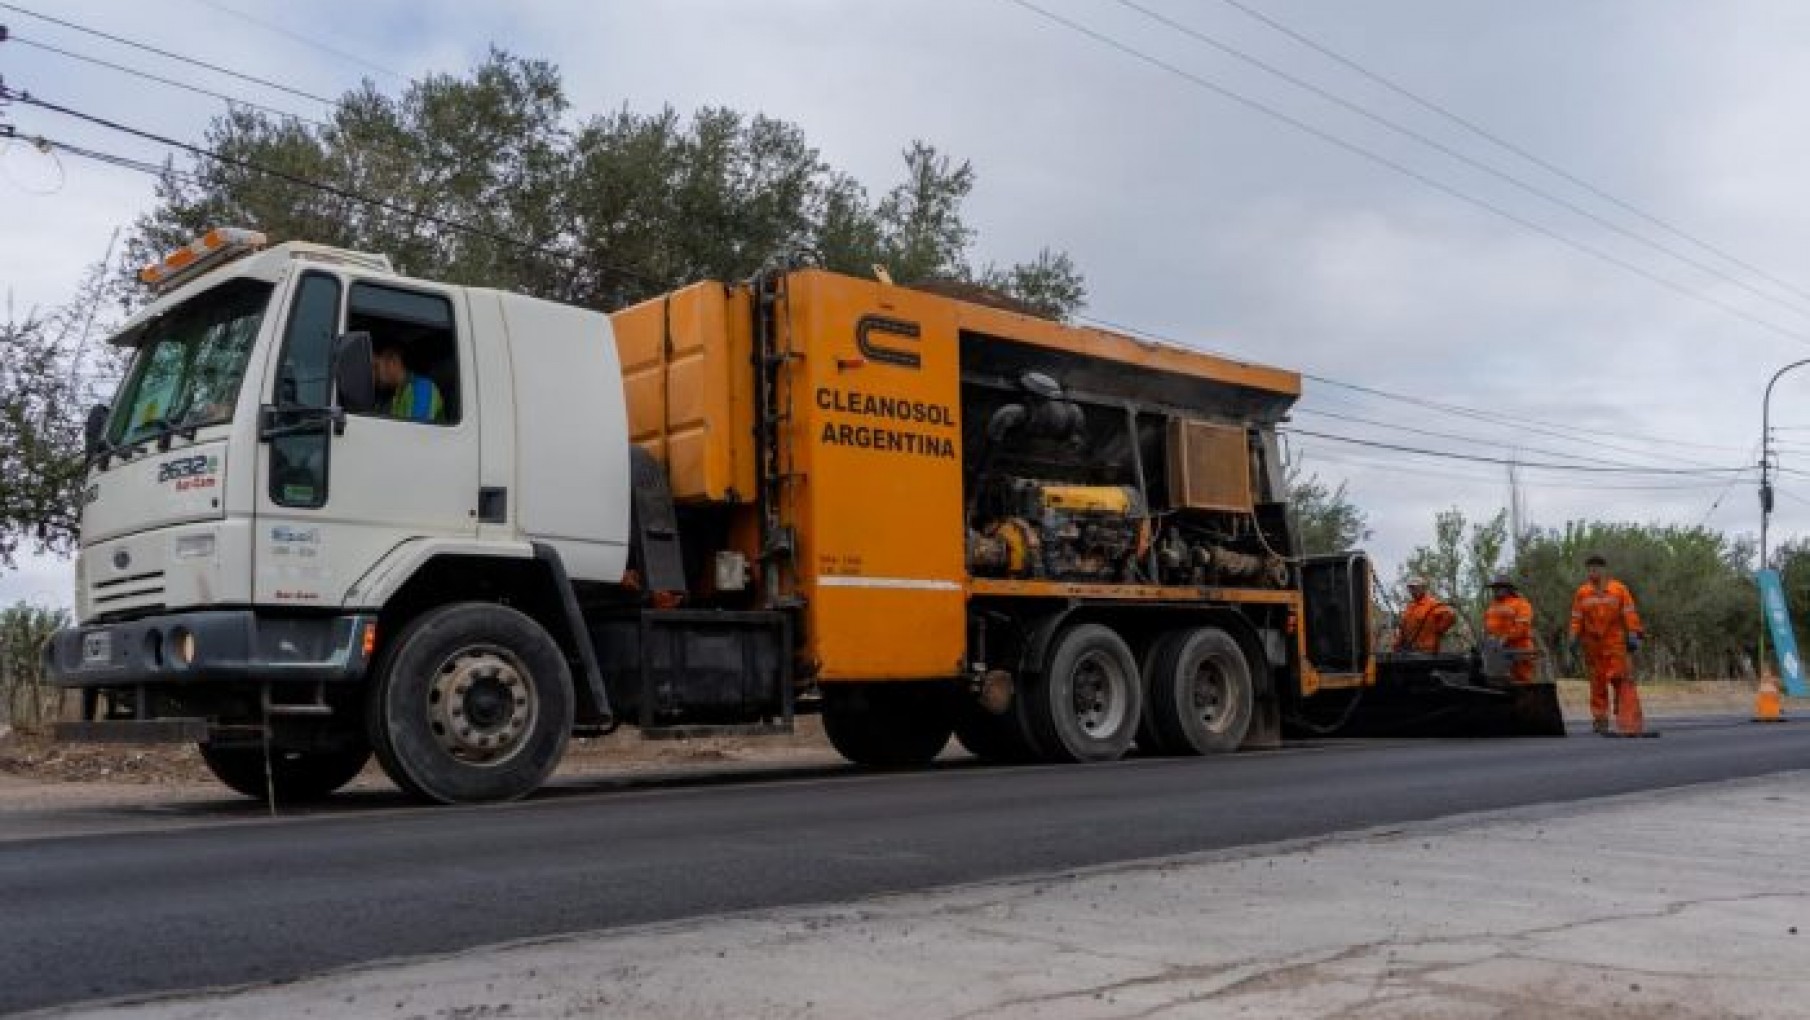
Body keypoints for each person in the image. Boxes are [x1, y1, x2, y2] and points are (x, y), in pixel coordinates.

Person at [1569, 553, 1648, 736]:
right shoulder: (1582, 593)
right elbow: (1576, 617)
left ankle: (1624, 716)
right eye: (1589, 568)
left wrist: (1634, 633)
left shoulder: (1619, 589)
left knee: (1619, 679)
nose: (1593, 571)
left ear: (1604, 570)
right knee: (1597, 683)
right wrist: (1573, 636)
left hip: (1614, 643)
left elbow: (1629, 613)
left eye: (1596, 568)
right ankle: (1600, 719)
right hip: (1592, 646)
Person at [373, 338, 444, 424]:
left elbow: (417, 430)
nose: (373, 375)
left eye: (375, 367)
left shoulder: (422, 388)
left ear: (393, 361)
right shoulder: (394, 395)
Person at [1483, 575, 1537, 684]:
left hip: (1519, 649)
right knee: (1499, 682)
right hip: (1497, 651)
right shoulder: (1492, 606)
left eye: (1499, 587)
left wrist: (1505, 638)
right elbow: (1487, 627)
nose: (1496, 590)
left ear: (1508, 588)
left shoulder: (1521, 604)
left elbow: (1522, 626)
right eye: (1494, 588)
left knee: (1522, 681)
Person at [1394, 577, 1457, 653]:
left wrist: (1438, 630)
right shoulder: (1409, 607)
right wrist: (1397, 645)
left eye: (1415, 587)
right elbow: (1403, 628)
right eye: (1411, 588)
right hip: (1410, 651)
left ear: (1423, 588)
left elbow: (1451, 615)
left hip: (1428, 652)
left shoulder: (1432, 603)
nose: (1412, 590)